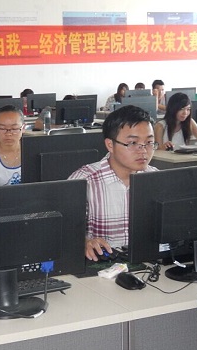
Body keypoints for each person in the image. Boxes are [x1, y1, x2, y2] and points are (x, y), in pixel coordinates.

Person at [68, 106, 158, 261]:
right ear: (110, 145)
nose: (143, 151)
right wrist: (83, 242)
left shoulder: (156, 178)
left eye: (149, 142)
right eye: (132, 143)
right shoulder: (84, 181)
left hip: (148, 263)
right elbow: (63, 231)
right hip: (102, 267)